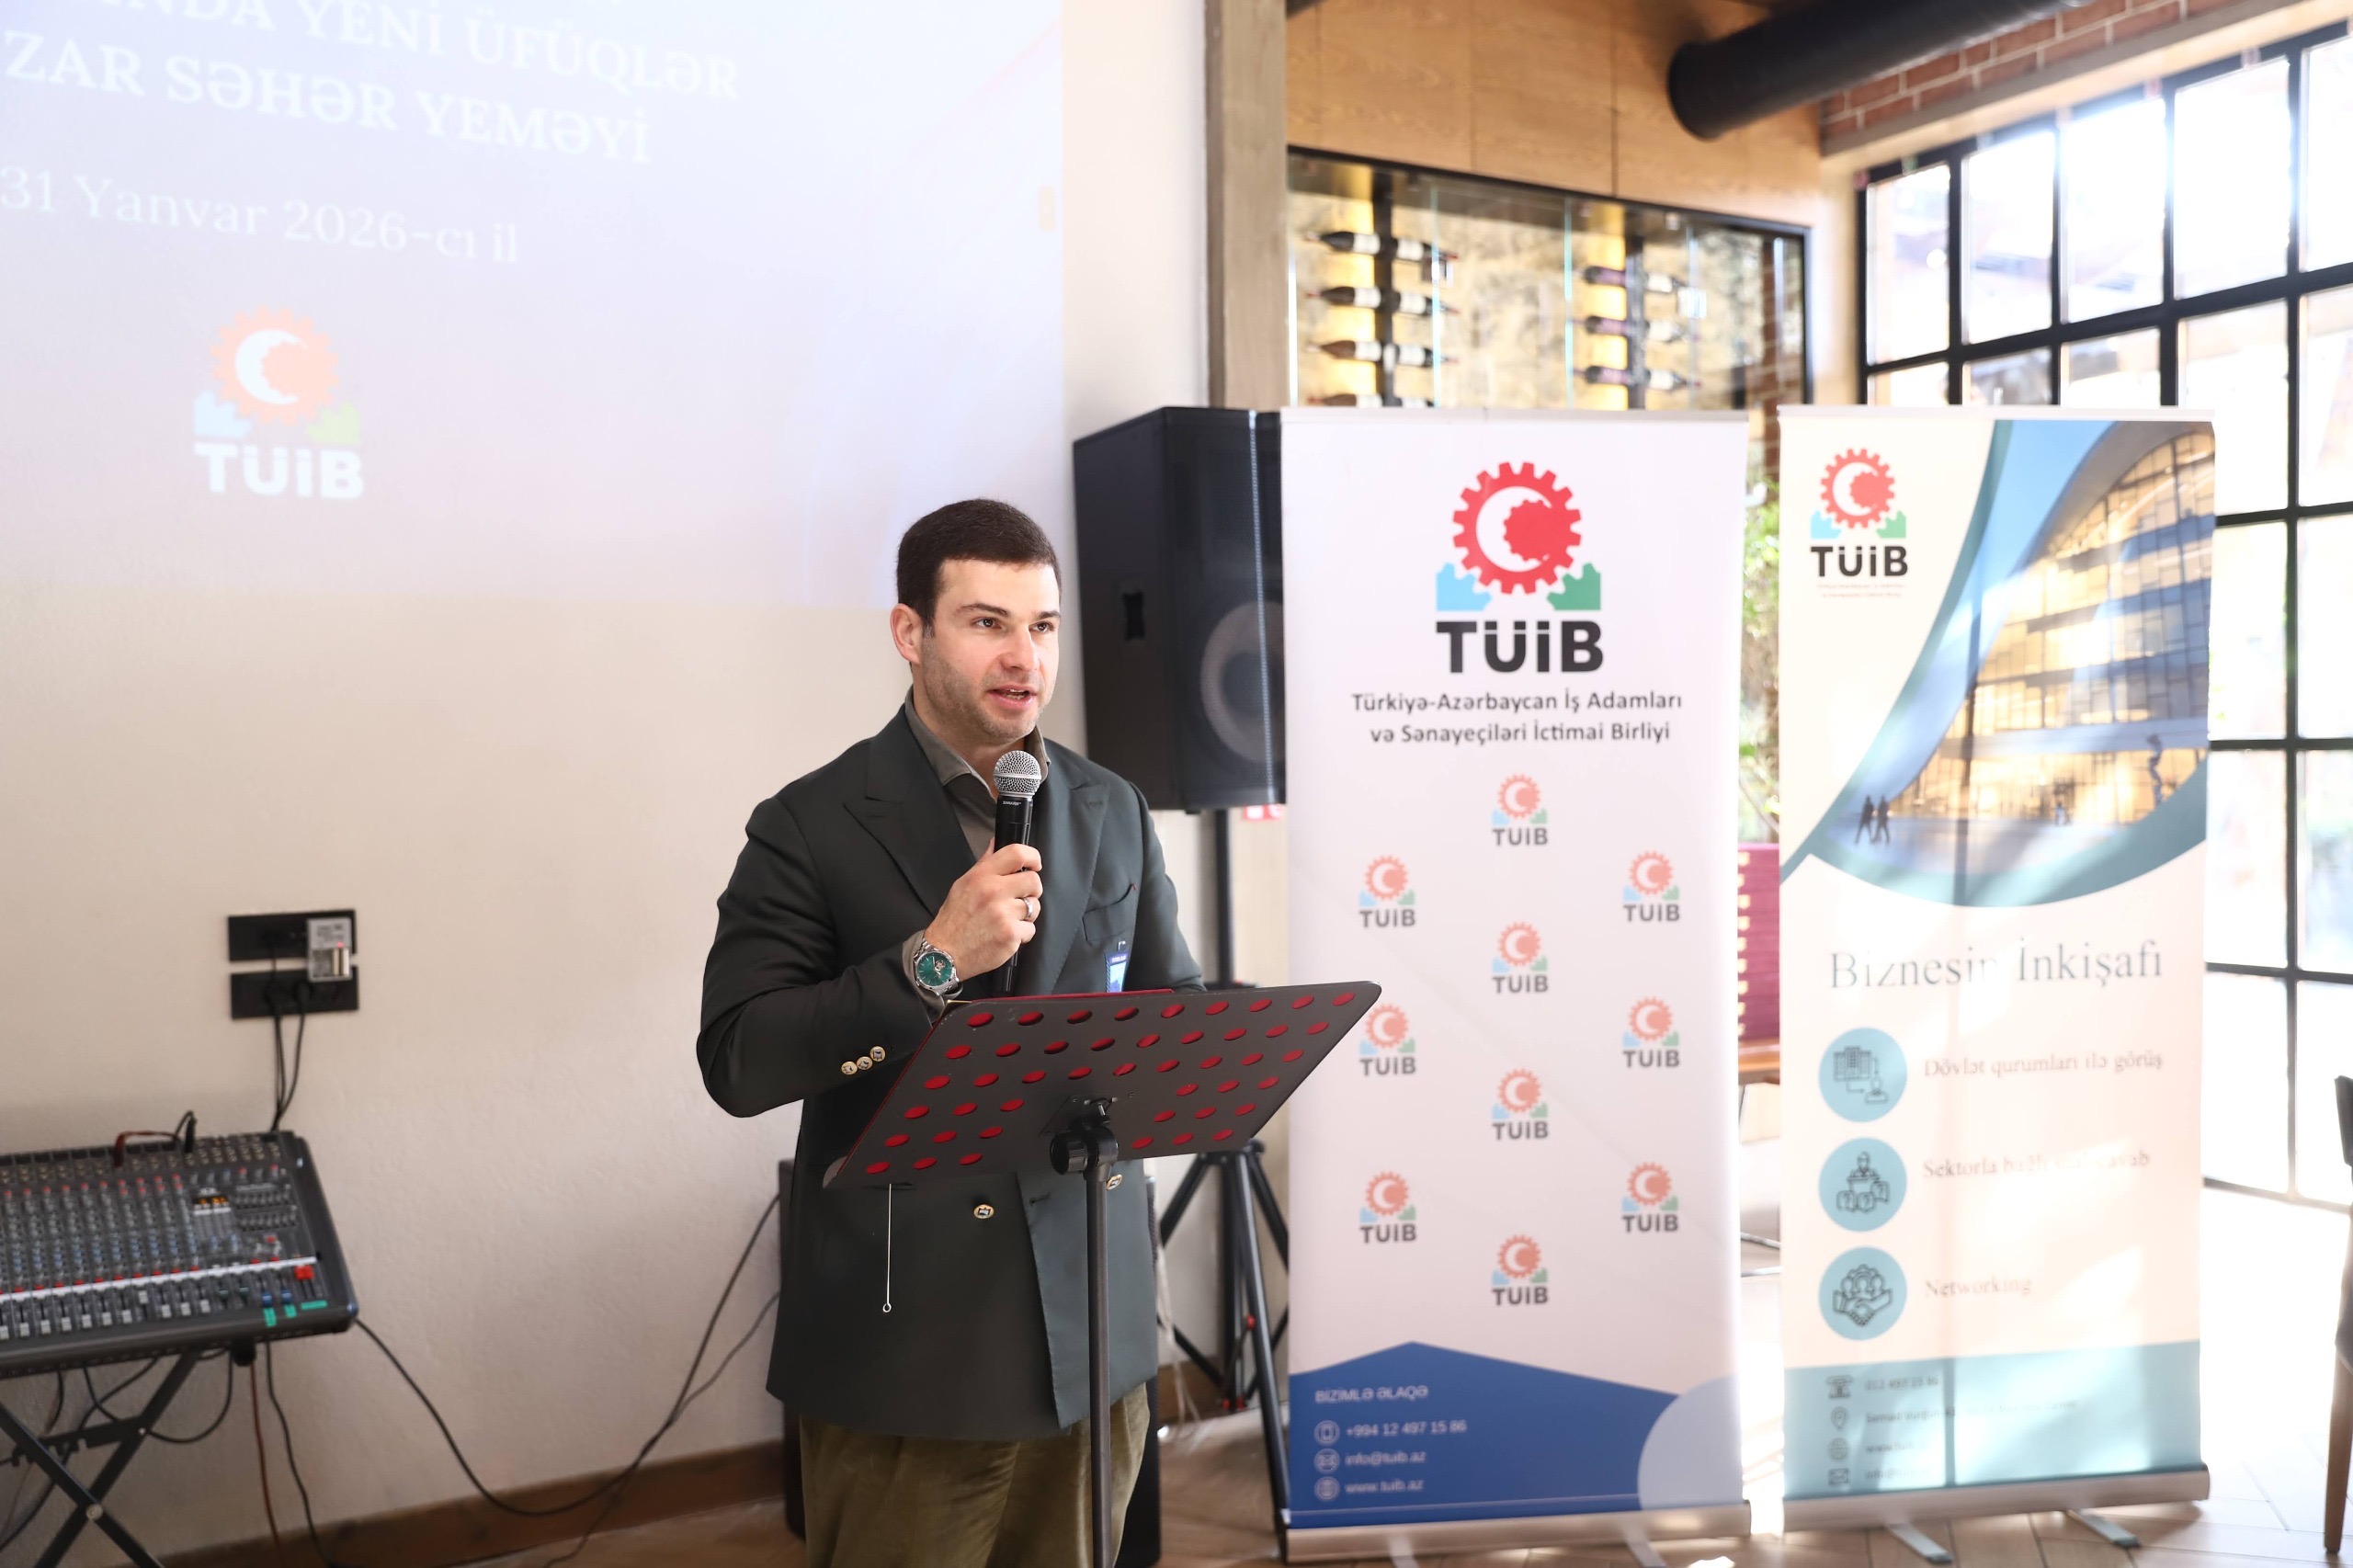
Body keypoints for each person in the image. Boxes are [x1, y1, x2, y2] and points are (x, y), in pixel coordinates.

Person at [696, 499, 1201, 1568]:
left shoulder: (1111, 805)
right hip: (910, 1343)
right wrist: (930, 961)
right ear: (910, 632)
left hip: (1092, 1329)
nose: (1024, 657)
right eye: (986, 622)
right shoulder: (810, 822)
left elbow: (1171, 1015)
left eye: (1043, 625)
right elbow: (739, 1058)